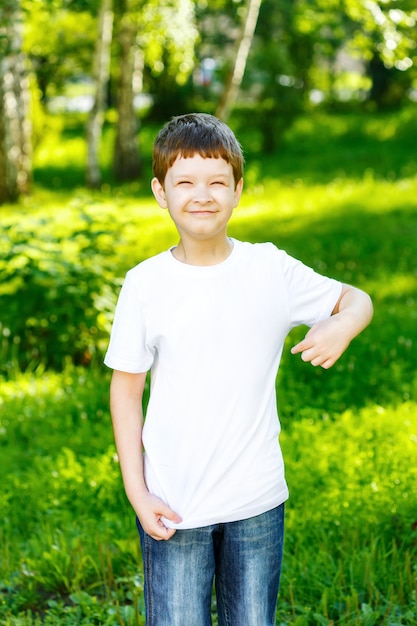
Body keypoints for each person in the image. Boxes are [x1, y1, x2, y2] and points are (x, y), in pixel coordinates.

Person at [104, 113, 373, 626]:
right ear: (160, 192)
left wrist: (345, 324)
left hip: (257, 498)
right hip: (173, 502)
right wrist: (138, 492)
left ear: (238, 189)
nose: (201, 195)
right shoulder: (145, 284)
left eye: (216, 182)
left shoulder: (270, 268)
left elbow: (354, 298)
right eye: (185, 181)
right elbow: (125, 392)